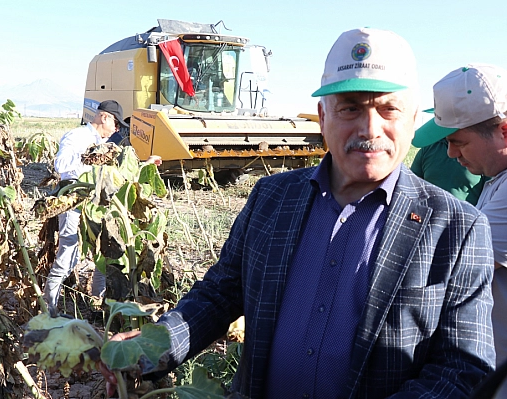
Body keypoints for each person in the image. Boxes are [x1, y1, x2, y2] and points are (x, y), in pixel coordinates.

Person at [102, 28, 496, 398]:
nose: (370, 128)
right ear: (322, 117)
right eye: (349, 108)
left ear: (413, 122)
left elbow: (461, 368)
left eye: (389, 109)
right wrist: (153, 345)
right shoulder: (272, 198)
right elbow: (220, 294)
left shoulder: (457, 229)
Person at [412, 63, 507, 367]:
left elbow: (446, 270)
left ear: (504, 131)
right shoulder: (496, 180)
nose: (451, 153)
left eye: (458, 141)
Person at [44, 100, 127, 315]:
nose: (116, 130)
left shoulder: (105, 142)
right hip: (74, 198)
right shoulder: (78, 136)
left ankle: (97, 302)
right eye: (116, 124)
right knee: (69, 252)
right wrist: (88, 158)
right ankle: (49, 307)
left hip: (96, 203)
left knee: (103, 251)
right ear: (105, 117)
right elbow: (60, 165)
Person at [411, 135, 488, 205]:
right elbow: (413, 187)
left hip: (467, 218)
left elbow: (491, 196)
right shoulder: (428, 149)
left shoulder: (481, 152)